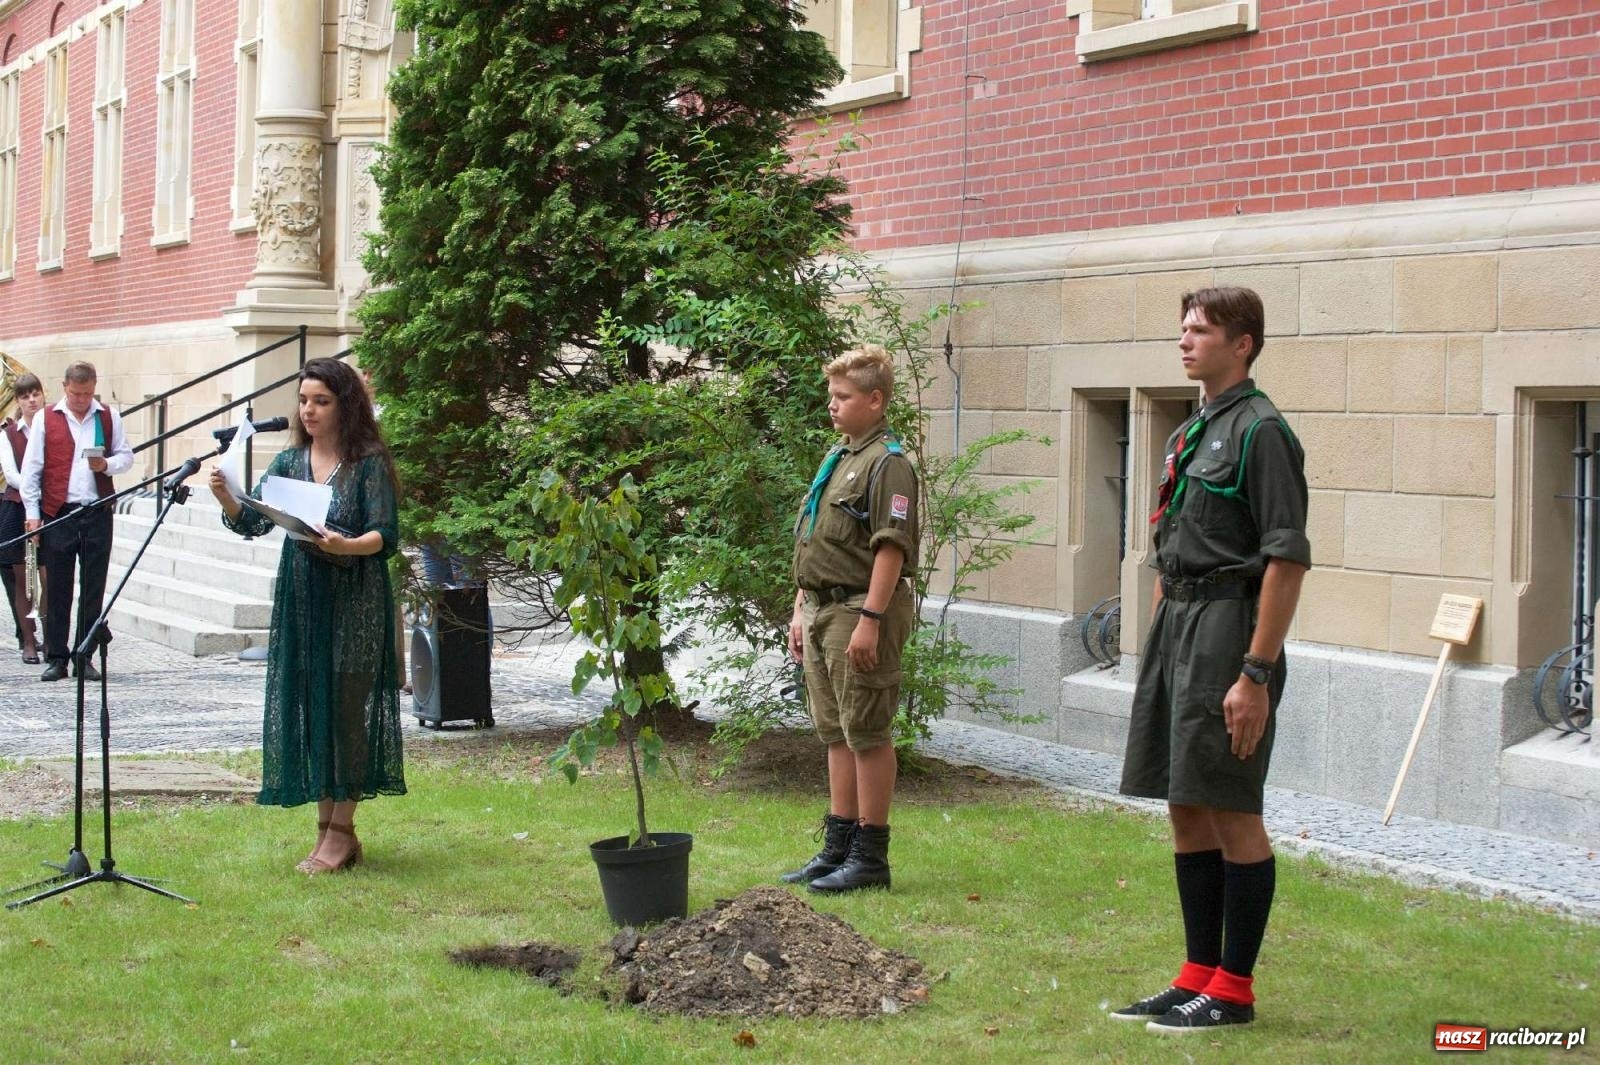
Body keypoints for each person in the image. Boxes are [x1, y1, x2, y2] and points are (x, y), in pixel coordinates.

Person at [1111, 287, 1309, 1034]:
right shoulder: (1195, 428)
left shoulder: (1262, 432)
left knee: (1231, 803)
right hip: (1181, 621)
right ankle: (1197, 972)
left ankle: (1235, 987)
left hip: (1232, 625)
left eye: (1201, 330)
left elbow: (1286, 562)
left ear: (1244, 343)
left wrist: (1255, 672)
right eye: (1183, 327)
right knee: (1184, 797)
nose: (1185, 340)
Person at [209, 357, 406, 874]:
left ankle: (341, 832)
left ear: (345, 404)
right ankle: (328, 831)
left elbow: (386, 535)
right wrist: (227, 496)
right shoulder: (290, 461)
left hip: (355, 600)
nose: (309, 410)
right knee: (314, 708)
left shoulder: (368, 462)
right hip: (303, 598)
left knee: (346, 712)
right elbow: (252, 523)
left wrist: (346, 544)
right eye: (303, 400)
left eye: (321, 400)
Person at [782, 343, 918, 894]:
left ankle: (870, 856)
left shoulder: (890, 465)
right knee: (835, 731)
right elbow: (812, 535)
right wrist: (799, 607)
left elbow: (892, 547)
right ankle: (837, 845)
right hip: (821, 608)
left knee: (866, 730)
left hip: (857, 608)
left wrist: (870, 618)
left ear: (875, 400)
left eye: (843, 396)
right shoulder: (840, 457)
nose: (832, 405)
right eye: (831, 395)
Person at [20, 362, 134, 682]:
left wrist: (106, 464)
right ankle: (57, 657)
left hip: (97, 511)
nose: (82, 399)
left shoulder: (108, 416)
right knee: (58, 587)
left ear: (94, 387)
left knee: (93, 588)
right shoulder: (46, 418)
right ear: (64, 387)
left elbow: (126, 457)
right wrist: (32, 514)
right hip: (59, 512)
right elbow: (32, 470)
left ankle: (85, 656)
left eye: (87, 393)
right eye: (75, 394)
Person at [2, 373, 46, 663]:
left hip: (50, 508)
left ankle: (51, 634)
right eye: (25, 396)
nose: (31, 400)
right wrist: (37, 490)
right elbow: (13, 475)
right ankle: (28, 640)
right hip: (18, 509)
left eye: (35, 394)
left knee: (50, 578)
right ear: (18, 401)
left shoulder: (54, 426)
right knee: (25, 580)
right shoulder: (7, 434)